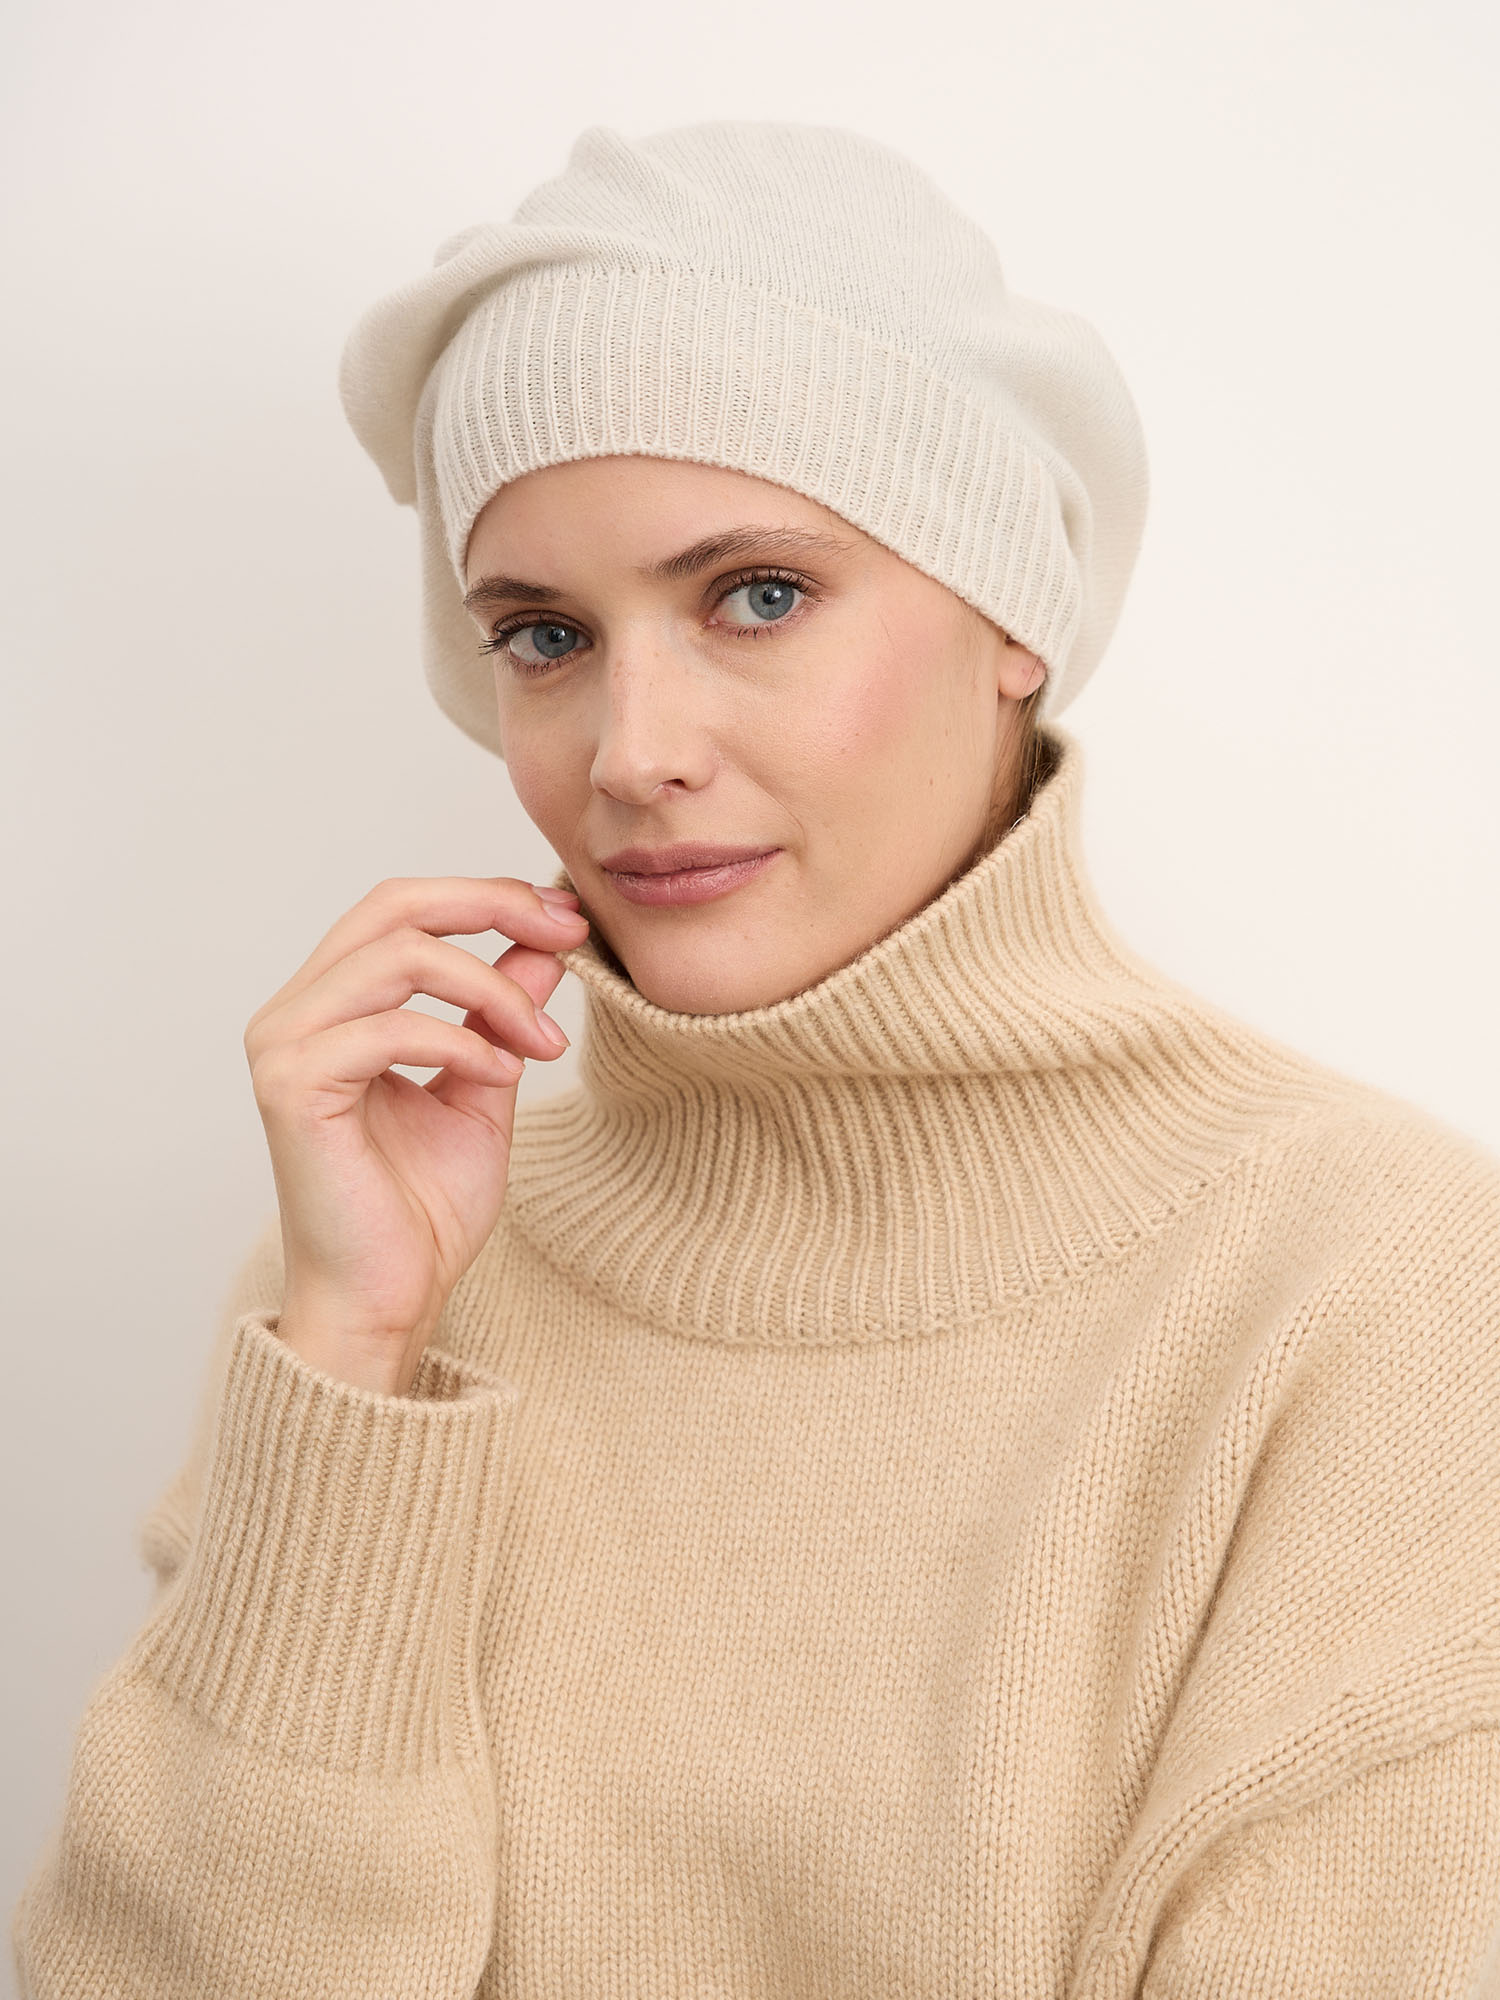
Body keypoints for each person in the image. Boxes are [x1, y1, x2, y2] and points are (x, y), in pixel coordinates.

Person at [12, 120, 1500, 1999]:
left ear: (1010, 617)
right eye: (543, 635)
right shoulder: (382, 1281)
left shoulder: (1375, 1288)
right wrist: (354, 1360)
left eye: (759, 595)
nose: (630, 750)